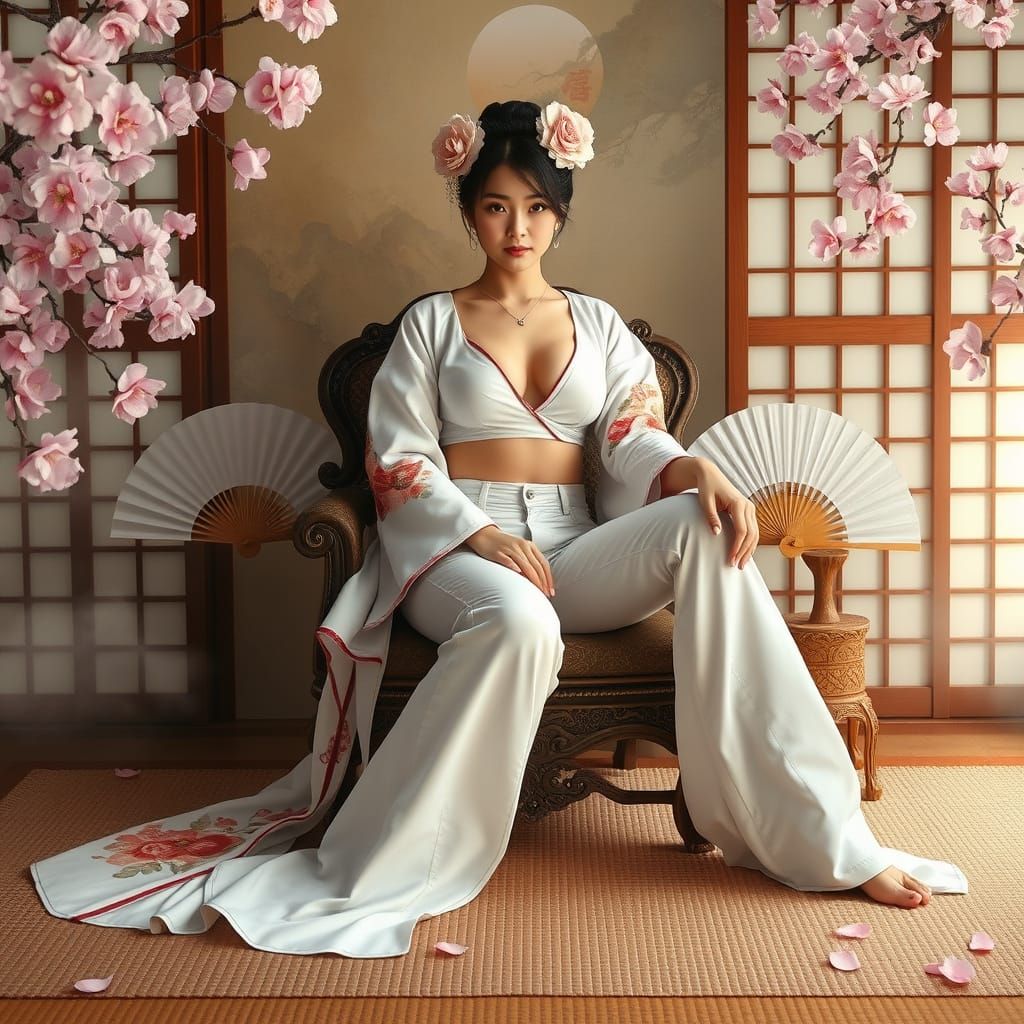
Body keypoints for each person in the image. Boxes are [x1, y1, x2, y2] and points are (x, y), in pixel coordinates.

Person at [29, 99, 967, 960]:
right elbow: (397, 461)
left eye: (534, 208)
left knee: (701, 527)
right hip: (451, 554)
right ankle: (398, 861)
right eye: (493, 207)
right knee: (517, 618)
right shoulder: (430, 325)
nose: (516, 229)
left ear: (561, 213)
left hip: (578, 541)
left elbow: (637, 437)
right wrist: (477, 536)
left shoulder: (599, 325)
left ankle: (819, 834)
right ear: (468, 211)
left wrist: (697, 471)